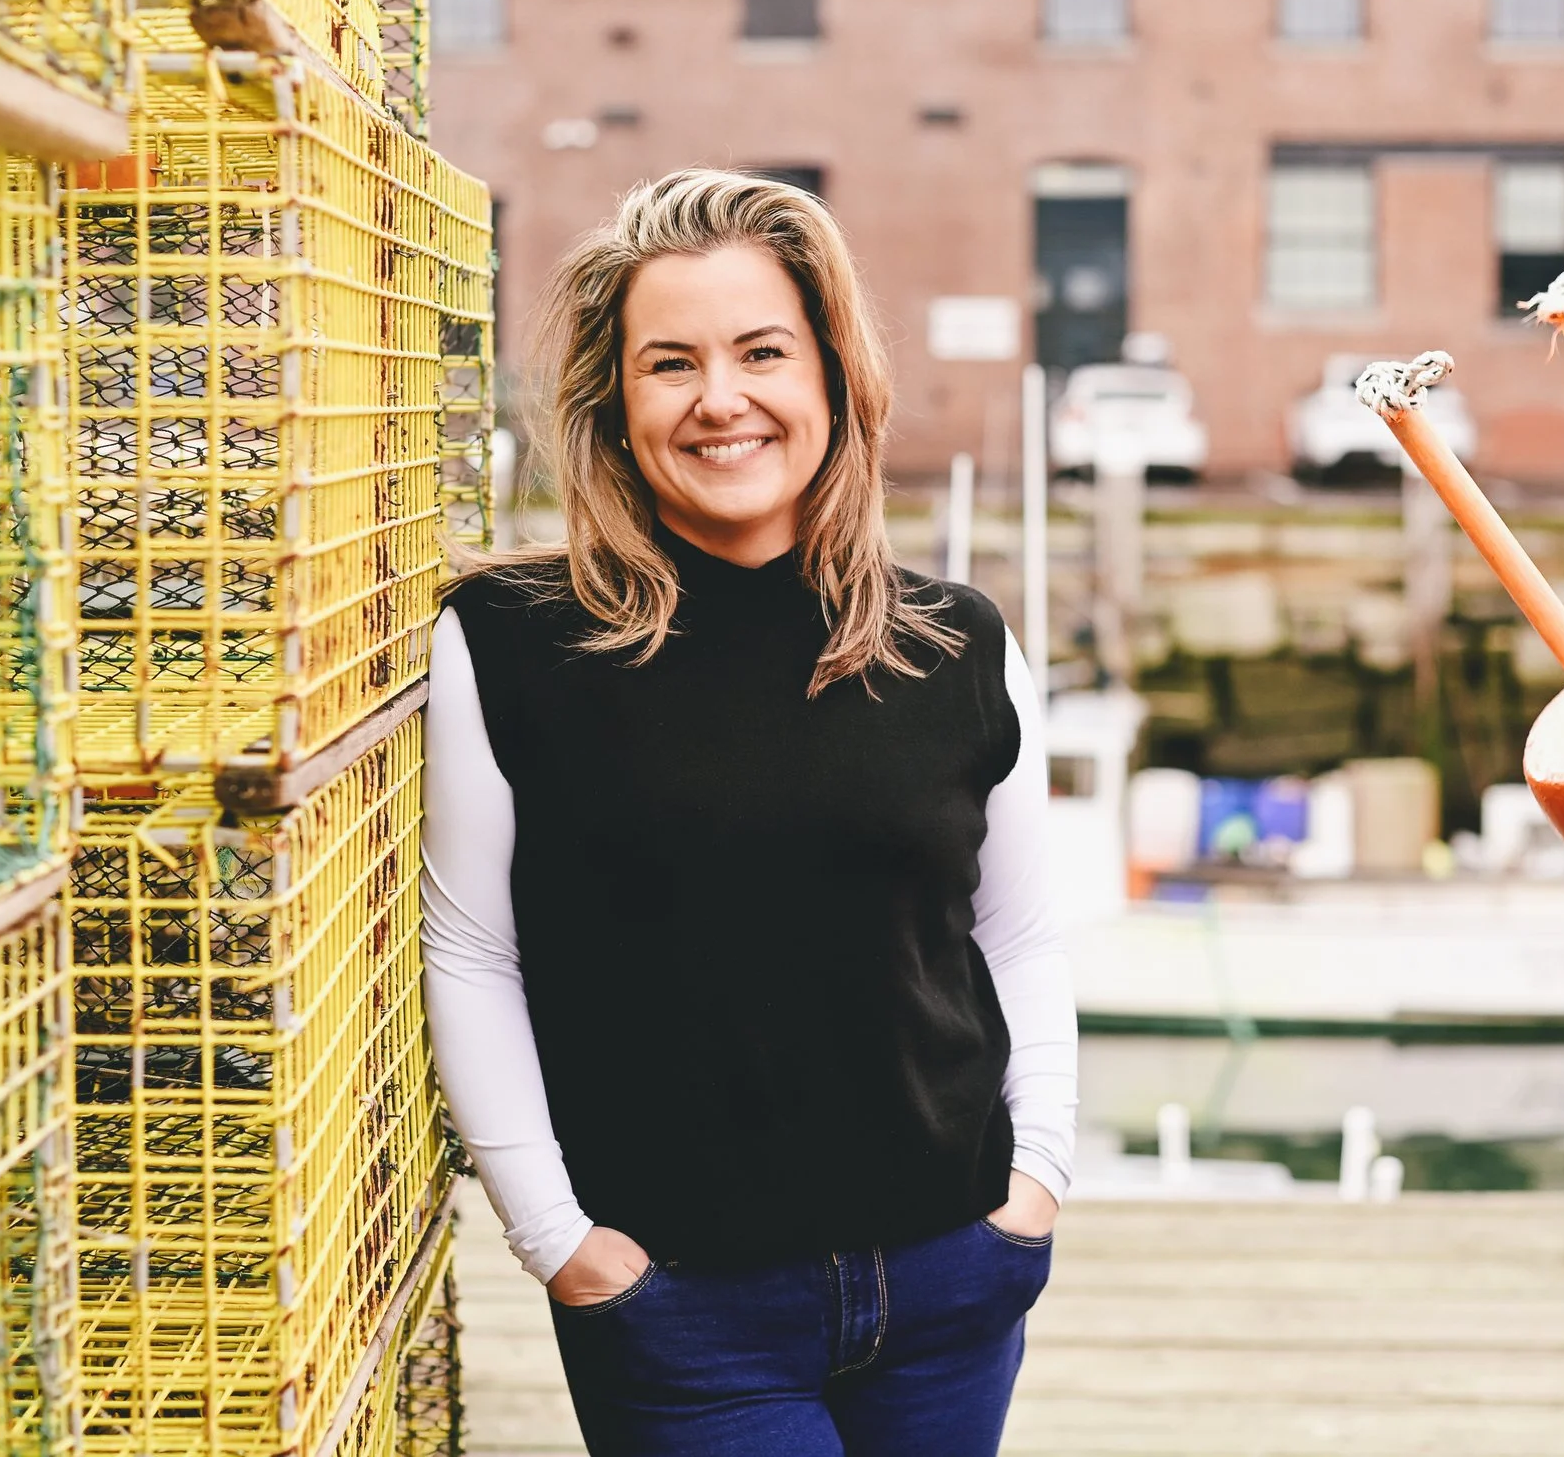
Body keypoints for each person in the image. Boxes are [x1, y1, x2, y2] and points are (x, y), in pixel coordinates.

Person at [421, 167, 1076, 1457]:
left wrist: (1036, 1183)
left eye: (761, 351)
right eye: (671, 363)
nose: (721, 400)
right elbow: (472, 950)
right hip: (684, 1312)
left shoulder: (958, 643)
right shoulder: (508, 645)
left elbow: (1021, 938)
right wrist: (557, 1240)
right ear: (616, 401)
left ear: (833, 374)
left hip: (954, 1279)